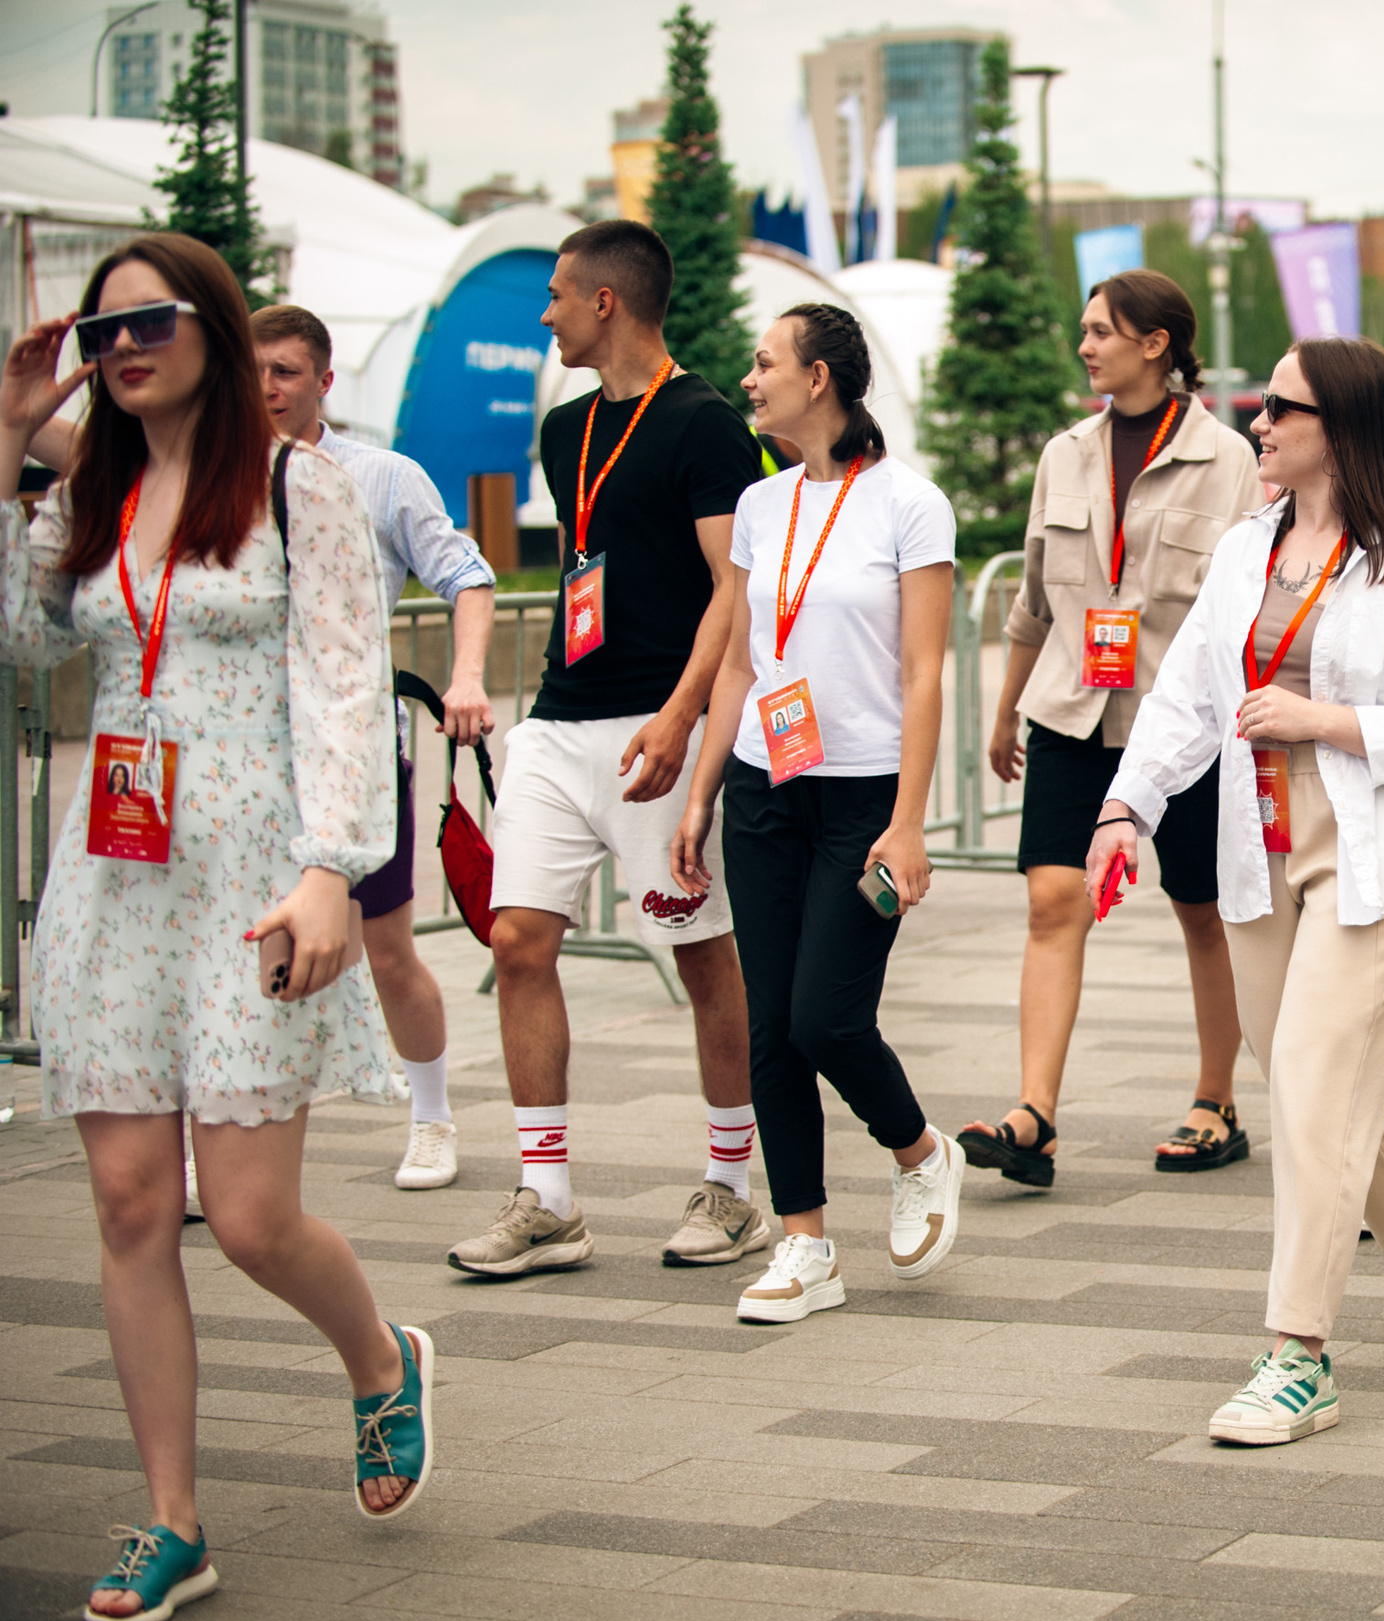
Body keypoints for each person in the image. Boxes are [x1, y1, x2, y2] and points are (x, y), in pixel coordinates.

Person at [0, 233, 433, 1621]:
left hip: (258, 876)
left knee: (247, 1219)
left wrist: (332, 871)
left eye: (153, 321)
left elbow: (351, 689)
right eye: (101, 331)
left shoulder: (299, 488)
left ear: (211, 327)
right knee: (131, 1205)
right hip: (114, 881)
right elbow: (22, 641)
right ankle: (173, 1519)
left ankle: (378, 1357)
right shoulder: (91, 490)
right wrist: (9, 433)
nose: (123, 347)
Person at [1086, 336, 1384, 1443]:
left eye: (1281, 407)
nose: (1258, 422)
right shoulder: (1242, 551)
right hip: (1257, 854)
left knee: (1313, 1090)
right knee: (1321, 1094)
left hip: (1370, 858)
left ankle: (1297, 1355)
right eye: (1260, 405)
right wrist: (1125, 808)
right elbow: (1184, 698)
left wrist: (1330, 721)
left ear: (1344, 429)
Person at [446, 221, 765, 1277]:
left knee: (699, 950)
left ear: (605, 303)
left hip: (653, 730)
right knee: (517, 939)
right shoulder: (562, 428)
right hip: (555, 717)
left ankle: (733, 1186)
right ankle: (547, 1199)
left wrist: (680, 717)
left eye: (554, 295)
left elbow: (735, 585)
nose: (543, 313)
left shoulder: (708, 424)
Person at [667, 304, 960, 1317]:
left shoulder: (909, 504)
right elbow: (743, 660)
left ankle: (920, 1149)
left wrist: (911, 819)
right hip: (762, 782)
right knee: (769, 1028)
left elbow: (925, 674)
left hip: (866, 795)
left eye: (763, 362)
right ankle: (805, 1244)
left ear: (821, 378)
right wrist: (702, 790)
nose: (749, 379)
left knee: (824, 1014)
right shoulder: (761, 503)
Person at [967, 273, 1260, 1183]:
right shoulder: (1066, 453)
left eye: (1102, 332)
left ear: (1158, 344)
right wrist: (1008, 708)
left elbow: (1249, 606)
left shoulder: (1230, 459)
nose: (1086, 345)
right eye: (1083, 329)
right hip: (1069, 713)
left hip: (1186, 728)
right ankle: (1035, 1113)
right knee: (1053, 900)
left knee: (1202, 909)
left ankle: (1216, 1101)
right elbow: (1032, 601)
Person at [247, 305, 498, 1193]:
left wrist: (468, 677)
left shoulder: (381, 477)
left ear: (322, 381)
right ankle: (230, 1137)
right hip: (238, 758)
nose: (266, 387)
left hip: (350, 748)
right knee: (238, 949)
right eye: (253, 370)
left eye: (283, 370)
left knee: (385, 948)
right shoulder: (210, 475)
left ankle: (431, 1116)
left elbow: (468, 574)